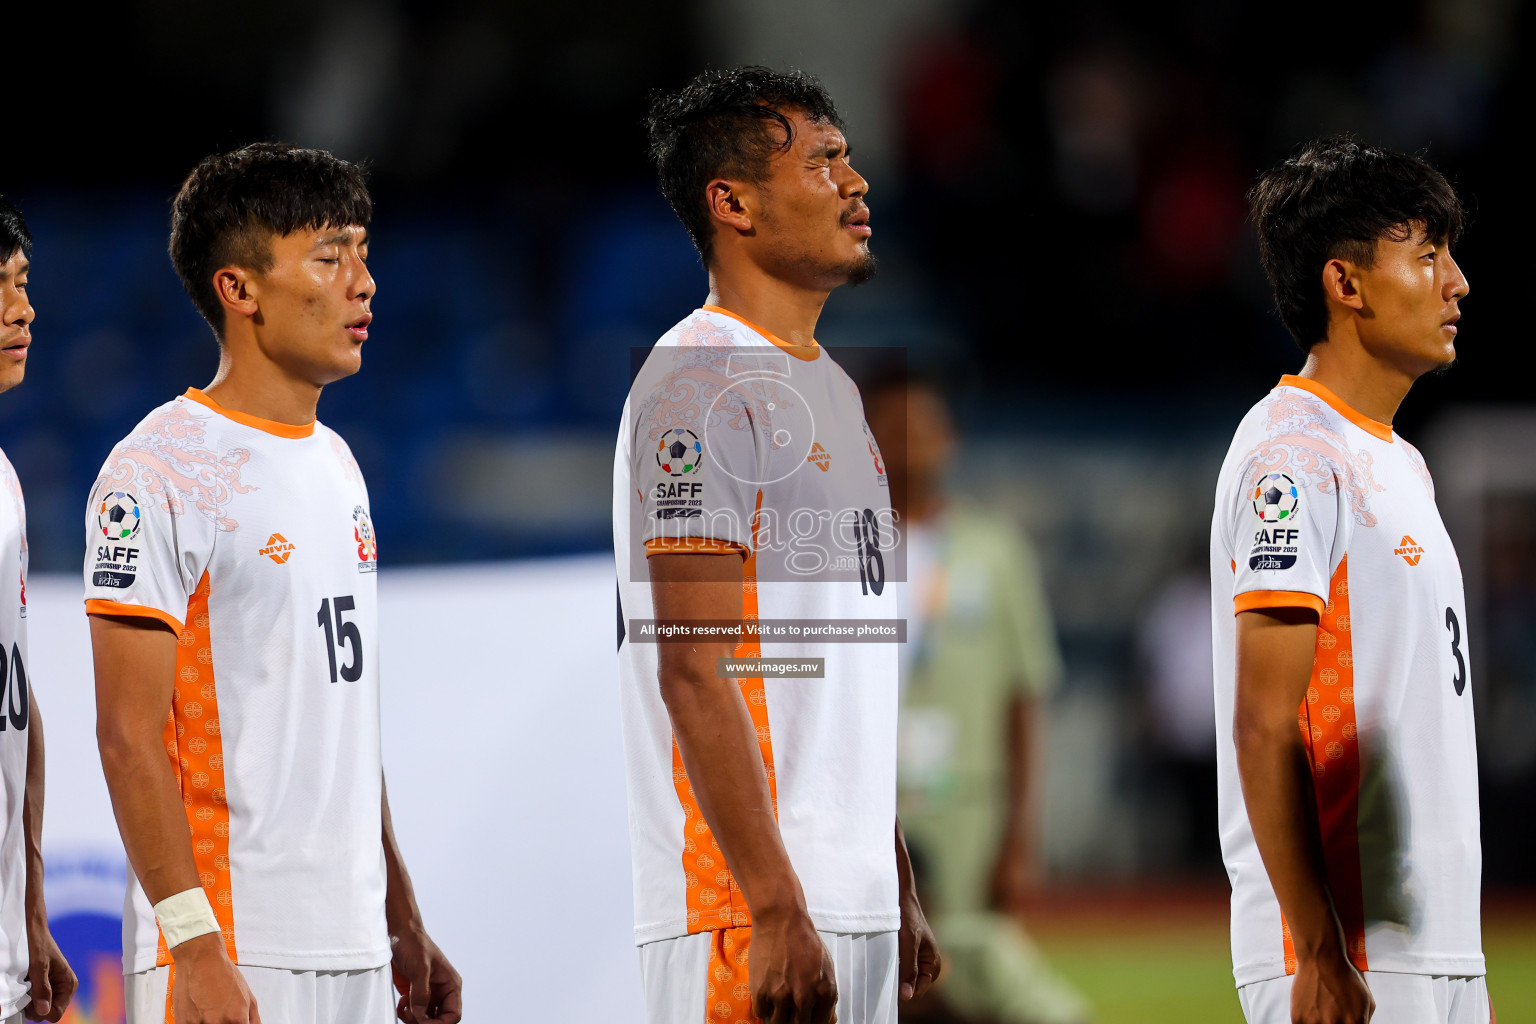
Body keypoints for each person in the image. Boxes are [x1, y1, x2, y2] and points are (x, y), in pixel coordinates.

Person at [83, 145, 461, 1024]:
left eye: (364, 253)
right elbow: (127, 737)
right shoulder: (158, 470)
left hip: (355, 947)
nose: (364, 283)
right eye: (331, 256)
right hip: (233, 946)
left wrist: (400, 917)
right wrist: (196, 945)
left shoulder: (339, 463)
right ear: (240, 289)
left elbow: (343, 721)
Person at [614, 67, 940, 1024]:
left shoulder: (834, 389)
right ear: (733, 202)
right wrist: (773, 902)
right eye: (826, 159)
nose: (857, 181)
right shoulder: (699, 381)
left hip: (847, 902)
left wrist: (895, 876)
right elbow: (695, 667)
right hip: (748, 909)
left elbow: (841, 666)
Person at [1212, 136, 1483, 1024]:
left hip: (1434, 940)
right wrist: (1320, 949)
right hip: (1347, 951)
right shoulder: (1293, 458)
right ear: (1347, 282)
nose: (1458, 284)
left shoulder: (1400, 461)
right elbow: (1263, 719)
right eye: (1428, 254)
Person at [865, 377, 1089, 1024]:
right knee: (879, 977)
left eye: (921, 425)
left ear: (950, 440)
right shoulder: (834, 553)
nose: (906, 442)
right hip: (873, 802)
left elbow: (1024, 699)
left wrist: (1020, 836)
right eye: (889, 425)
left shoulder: (994, 551)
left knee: (972, 973)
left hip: (967, 808)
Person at [0, 196, 78, 1024]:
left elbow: (14, 703)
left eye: (21, 283)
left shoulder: (7, 483)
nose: (22, 309)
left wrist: (30, 902)